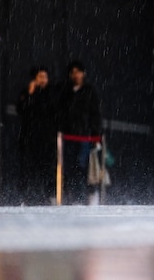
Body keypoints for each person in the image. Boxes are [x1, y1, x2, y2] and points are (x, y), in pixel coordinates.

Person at [57, 60, 102, 205]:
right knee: (69, 166)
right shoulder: (65, 90)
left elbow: (95, 113)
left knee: (82, 165)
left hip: (85, 135)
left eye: (78, 72)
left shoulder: (90, 90)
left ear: (84, 73)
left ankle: (86, 194)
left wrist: (96, 133)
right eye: (73, 72)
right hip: (69, 134)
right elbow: (61, 112)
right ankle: (75, 197)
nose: (76, 75)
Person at [16, 66, 57, 205]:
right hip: (30, 137)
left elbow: (53, 111)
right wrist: (30, 93)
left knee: (48, 170)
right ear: (34, 78)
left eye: (45, 77)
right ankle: (26, 198)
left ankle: (50, 196)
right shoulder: (27, 92)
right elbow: (21, 109)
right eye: (40, 77)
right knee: (28, 169)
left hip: (47, 139)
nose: (43, 80)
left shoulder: (52, 93)